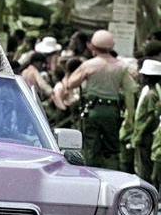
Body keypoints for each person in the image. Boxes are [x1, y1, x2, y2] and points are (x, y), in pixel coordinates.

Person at [59, 30, 137, 169]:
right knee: (112, 149)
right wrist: (130, 117)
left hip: (92, 111)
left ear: (93, 47)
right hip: (112, 113)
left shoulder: (89, 65)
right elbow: (130, 90)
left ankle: (91, 177)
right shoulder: (121, 66)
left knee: (90, 148)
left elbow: (71, 83)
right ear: (112, 47)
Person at [131, 59, 161, 181]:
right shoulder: (149, 91)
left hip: (145, 134)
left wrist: (140, 134)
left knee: (144, 165)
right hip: (143, 132)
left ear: (148, 78)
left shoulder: (151, 94)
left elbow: (151, 116)